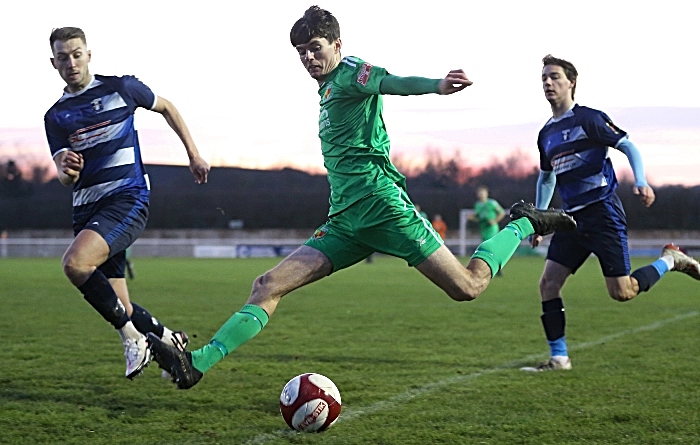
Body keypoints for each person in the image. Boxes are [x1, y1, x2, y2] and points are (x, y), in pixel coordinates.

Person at [148, 6, 576, 389]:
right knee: (267, 284)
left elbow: (391, 82)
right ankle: (196, 364)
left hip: (385, 209)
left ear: (337, 44)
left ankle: (523, 221)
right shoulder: (327, 88)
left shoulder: (352, 70)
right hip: (345, 223)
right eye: (300, 52)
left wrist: (436, 85)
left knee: (468, 287)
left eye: (315, 48)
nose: (308, 58)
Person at [45, 27, 210, 379]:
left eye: (77, 54)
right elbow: (65, 177)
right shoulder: (55, 116)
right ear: (53, 62)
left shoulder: (121, 88)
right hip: (86, 209)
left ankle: (133, 339)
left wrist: (193, 155)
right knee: (123, 305)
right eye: (63, 57)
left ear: (89, 54)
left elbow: (167, 107)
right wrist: (65, 169)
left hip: (126, 199)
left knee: (74, 265)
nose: (71, 62)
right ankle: (172, 345)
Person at [520, 54, 700, 372]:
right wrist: (540, 218)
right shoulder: (545, 134)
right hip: (568, 220)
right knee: (548, 284)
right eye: (544, 78)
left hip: (602, 212)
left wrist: (641, 181)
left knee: (623, 292)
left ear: (571, 82)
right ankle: (559, 358)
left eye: (555, 77)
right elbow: (547, 177)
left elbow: (628, 146)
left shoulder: (589, 119)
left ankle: (671, 260)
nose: (548, 82)